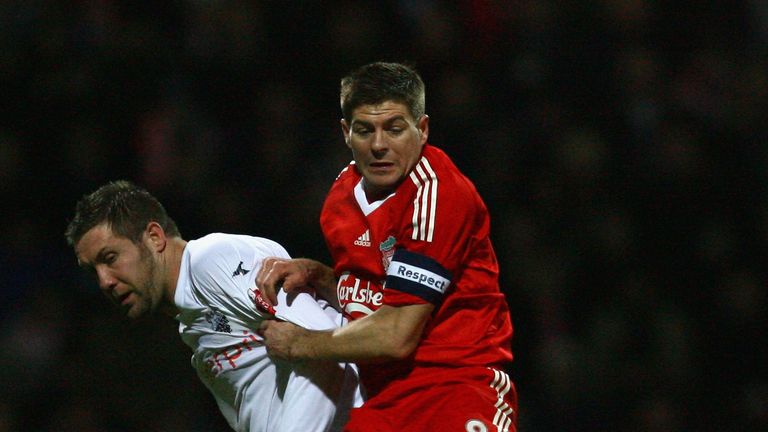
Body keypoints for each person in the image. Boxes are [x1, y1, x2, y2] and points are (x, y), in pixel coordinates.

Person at [256, 62, 517, 431]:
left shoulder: (439, 195)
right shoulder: (340, 198)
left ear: (422, 129)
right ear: (346, 133)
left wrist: (302, 344)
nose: (379, 145)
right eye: (365, 130)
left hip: (458, 388)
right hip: (382, 402)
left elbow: (396, 334)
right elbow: (375, 296)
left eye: (394, 129)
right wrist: (319, 276)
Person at [65, 180, 362, 432]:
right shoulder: (192, 323)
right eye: (93, 271)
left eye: (110, 258)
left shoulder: (212, 260)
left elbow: (324, 348)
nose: (104, 281)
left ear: (154, 237)